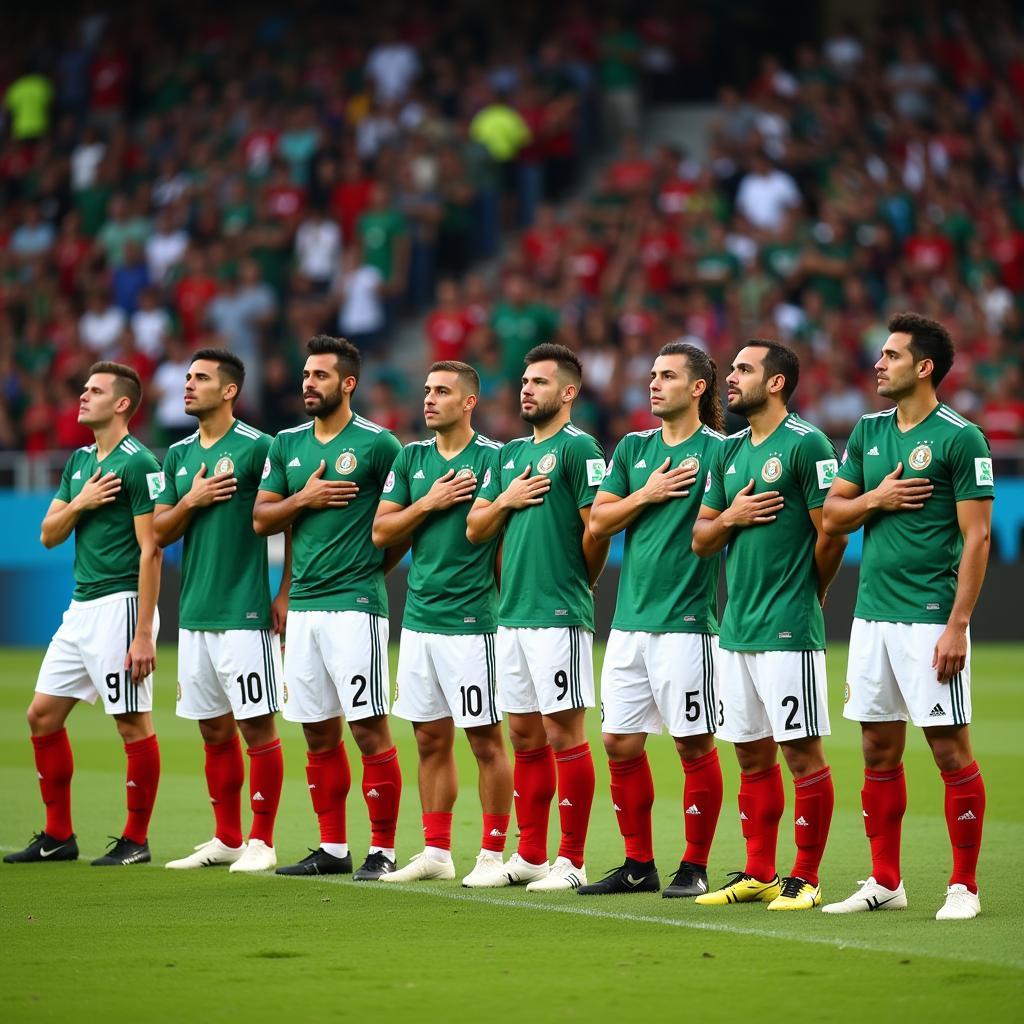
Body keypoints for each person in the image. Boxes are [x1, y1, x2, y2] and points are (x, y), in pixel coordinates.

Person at [821, 313, 994, 921]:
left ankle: (964, 886)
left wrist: (958, 624)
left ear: (923, 367)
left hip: (928, 617)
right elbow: (832, 517)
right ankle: (885, 880)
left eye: (891, 355)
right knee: (875, 747)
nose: (878, 363)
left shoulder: (961, 437)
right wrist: (876, 498)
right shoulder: (868, 433)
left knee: (948, 749)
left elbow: (977, 540)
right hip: (871, 616)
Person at [692, 340, 847, 911]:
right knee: (750, 754)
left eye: (742, 370)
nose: (729, 378)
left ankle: (805, 876)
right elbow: (702, 539)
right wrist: (731, 515)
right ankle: (758, 870)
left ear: (776, 383)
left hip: (787, 627)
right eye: (731, 368)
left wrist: (814, 590)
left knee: (801, 753)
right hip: (737, 630)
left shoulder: (807, 445)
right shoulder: (729, 452)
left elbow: (830, 530)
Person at [253, 336, 405, 879]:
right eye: (305, 374)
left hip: (354, 607)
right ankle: (333, 848)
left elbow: (399, 525)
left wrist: (369, 572)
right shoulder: (286, 444)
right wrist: (303, 502)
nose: (308, 384)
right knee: (317, 729)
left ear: (348, 384)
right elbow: (265, 518)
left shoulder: (379, 445)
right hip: (305, 608)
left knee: (367, 727)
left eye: (319, 375)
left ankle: (383, 850)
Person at [578, 342, 726, 897]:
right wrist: (648, 492)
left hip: (689, 624)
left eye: (667, 376)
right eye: (652, 374)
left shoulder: (721, 450)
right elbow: (598, 522)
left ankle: (695, 863)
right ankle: (638, 863)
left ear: (697, 388)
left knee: (693, 744)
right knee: (618, 742)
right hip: (629, 623)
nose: (654, 384)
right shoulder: (634, 448)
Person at [5, 363, 163, 867]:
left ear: (121, 404)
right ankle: (58, 835)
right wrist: (82, 502)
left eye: (94, 390)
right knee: (41, 715)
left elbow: (151, 548)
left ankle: (136, 840)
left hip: (121, 605)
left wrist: (142, 633)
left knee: (131, 723)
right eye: (84, 387)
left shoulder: (138, 464)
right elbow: (49, 533)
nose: (82, 395)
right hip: (81, 607)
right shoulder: (79, 462)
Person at [468, 343, 609, 891]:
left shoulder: (579, 449)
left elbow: (594, 529)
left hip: (557, 613)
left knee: (563, 732)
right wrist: (505, 500)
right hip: (512, 614)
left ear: (568, 393)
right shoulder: (507, 456)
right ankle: (528, 855)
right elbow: (476, 528)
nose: (526, 389)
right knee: (524, 735)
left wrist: (580, 583)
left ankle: (571, 861)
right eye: (524, 381)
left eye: (540, 383)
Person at [371, 361, 513, 887]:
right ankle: (435, 850)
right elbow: (383, 531)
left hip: (474, 623)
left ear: (469, 401)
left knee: (484, 741)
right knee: (429, 739)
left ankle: (493, 853)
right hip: (419, 620)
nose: (429, 399)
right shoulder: (411, 459)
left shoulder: (496, 459)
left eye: (442, 392)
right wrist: (428, 503)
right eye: (427, 390)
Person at [153, 349, 289, 873]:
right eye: (187, 377)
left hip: (245, 613)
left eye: (201, 378)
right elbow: (160, 532)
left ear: (229, 390)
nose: (188, 385)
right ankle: (227, 838)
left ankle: (262, 840)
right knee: (212, 729)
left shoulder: (260, 448)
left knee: (257, 726)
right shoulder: (178, 454)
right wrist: (192, 499)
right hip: (194, 615)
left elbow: (288, 519)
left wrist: (283, 593)